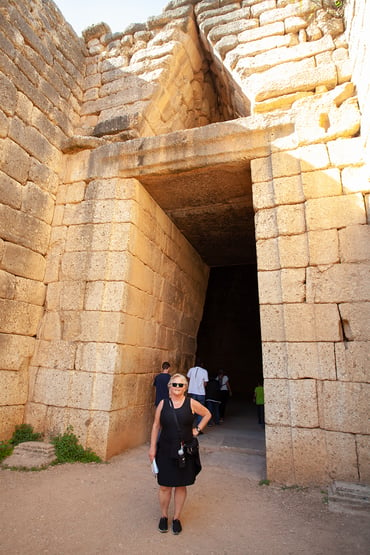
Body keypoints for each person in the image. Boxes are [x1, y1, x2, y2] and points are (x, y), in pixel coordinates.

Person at [149, 373, 211, 535]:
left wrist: (197, 430)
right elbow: (156, 426)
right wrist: (152, 448)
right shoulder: (163, 404)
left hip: (184, 451)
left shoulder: (191, 403)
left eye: (180, 385)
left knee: (180, 485)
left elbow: (207, 414)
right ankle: (164, 516)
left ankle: (176, 518)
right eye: (174, 384)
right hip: (165, 449)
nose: (177, 387)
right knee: (164, 486)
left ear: (185, 387)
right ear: (169, 386)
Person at [187, 360, 208, 426]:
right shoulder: (204, 371)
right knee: (201, 410)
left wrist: (192, 383)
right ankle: (198, 427)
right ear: (202, 364)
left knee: (191, 410)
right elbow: (205, 383)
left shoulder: (191, 370)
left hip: (191, 391)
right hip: (200, 393)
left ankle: (189, 426)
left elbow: (188, 378)